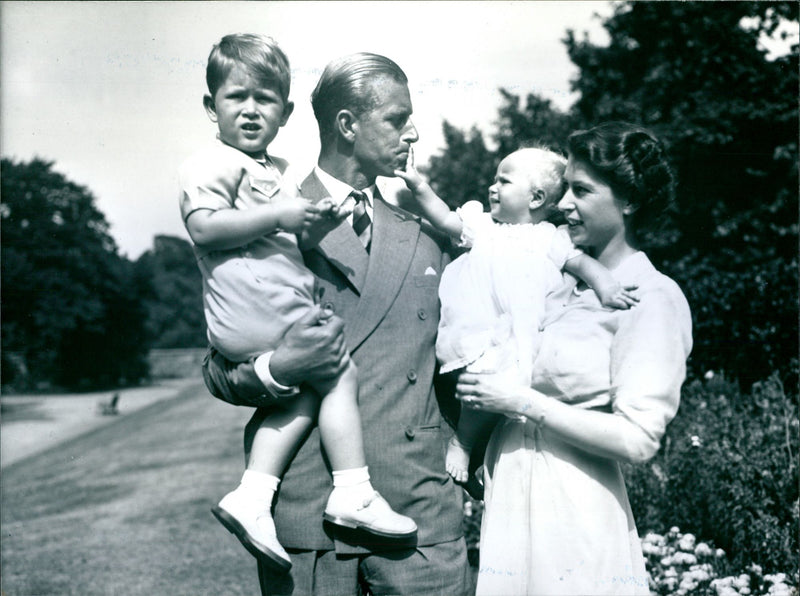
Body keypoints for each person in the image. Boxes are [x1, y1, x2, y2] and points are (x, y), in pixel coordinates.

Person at [202, 52, 472, 596]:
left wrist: (467, 454)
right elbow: (217, 368)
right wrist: (278, 369)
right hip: (307, 519)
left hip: (419, 516)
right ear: (348, 125)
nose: (413, 132)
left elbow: (462, 360)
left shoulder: (427, 236)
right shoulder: (263, 221)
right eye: (398, 118)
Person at [179, 35, 416, 573]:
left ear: (286, 113)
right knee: (334, 374)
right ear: (210, 106)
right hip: (258, 319)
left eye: (264, 100)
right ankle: (350, 490)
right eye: (236, 97)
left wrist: (313, 230)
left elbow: (287, 246)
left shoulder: (279, 176)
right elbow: (205, 228)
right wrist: (275, 368)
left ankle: (253, 495)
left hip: (414, 495)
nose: (250, 111)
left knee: (315, 389)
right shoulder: (216, 166)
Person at [456, 122, 693, 595]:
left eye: (581, 191)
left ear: (628, 200)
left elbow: (638, 439)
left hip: (574, 510)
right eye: (565, 189)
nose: (563, 204)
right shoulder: (553, 285)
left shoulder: (652, 297)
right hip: (511, 501)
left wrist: (522, 401)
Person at [396, 146, 638, 486]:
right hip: (480, 327)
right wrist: (418, 185)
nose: (492, 187)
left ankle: (478, 457)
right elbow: (445, 218)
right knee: (480, 384)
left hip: (522, 335)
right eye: (494, 180)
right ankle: (462, 442)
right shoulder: (484, 226)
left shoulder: (550, 239)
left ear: (536, 197)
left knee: (506, 394)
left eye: (504, 181)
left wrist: (607, 286)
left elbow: (583, 264)